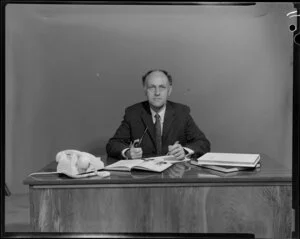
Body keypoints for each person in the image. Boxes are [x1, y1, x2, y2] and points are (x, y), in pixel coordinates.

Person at [106, 69, 210, 160]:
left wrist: (185, 151)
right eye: (152, 87)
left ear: (169, 90)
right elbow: (112, 145)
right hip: (143, 176)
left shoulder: (181, 112)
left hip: (175, 174)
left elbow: (203, 143)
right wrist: (128, 152)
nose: (157, 93)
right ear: (145, 90)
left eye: (162, 87)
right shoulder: (133, 113)